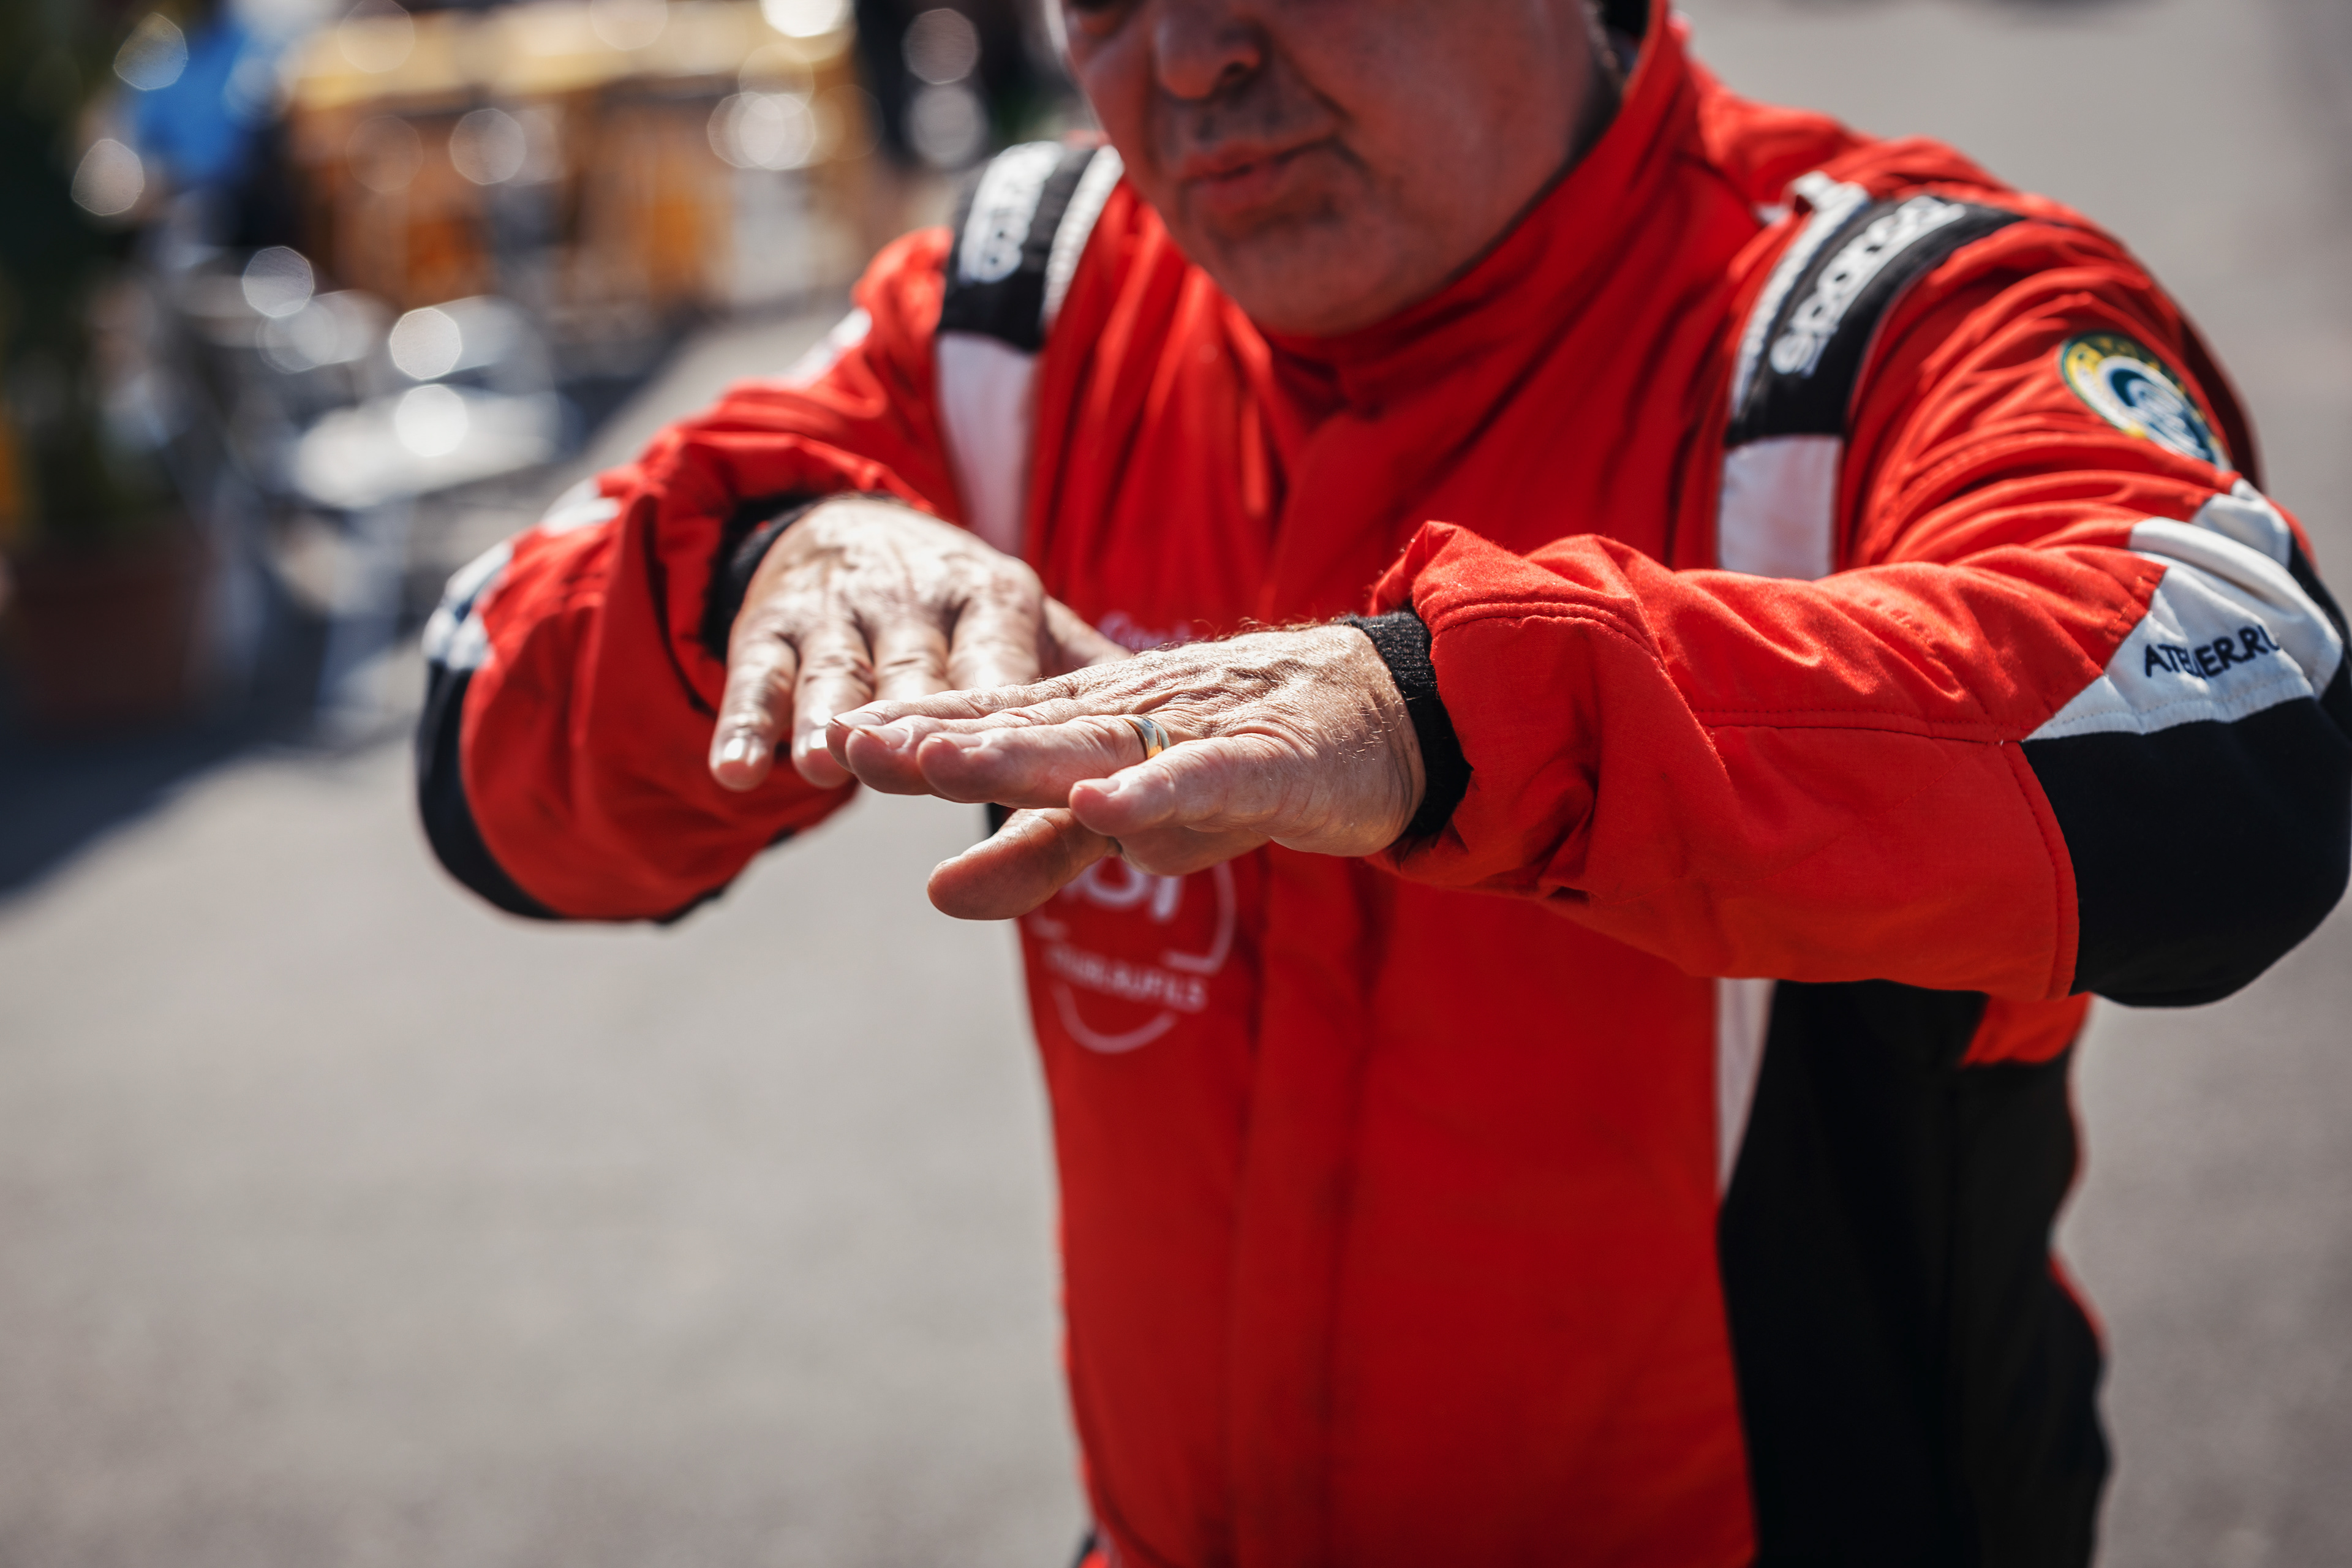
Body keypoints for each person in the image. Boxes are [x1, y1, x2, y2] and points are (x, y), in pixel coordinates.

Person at [417, 0, 2352, 1561]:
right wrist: (766, 569)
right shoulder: (1029, 306)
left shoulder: (1870, 320)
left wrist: (1446, 711)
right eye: (1101, 0)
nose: (1185, 62)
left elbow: (2241, 705)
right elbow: (483, 735)